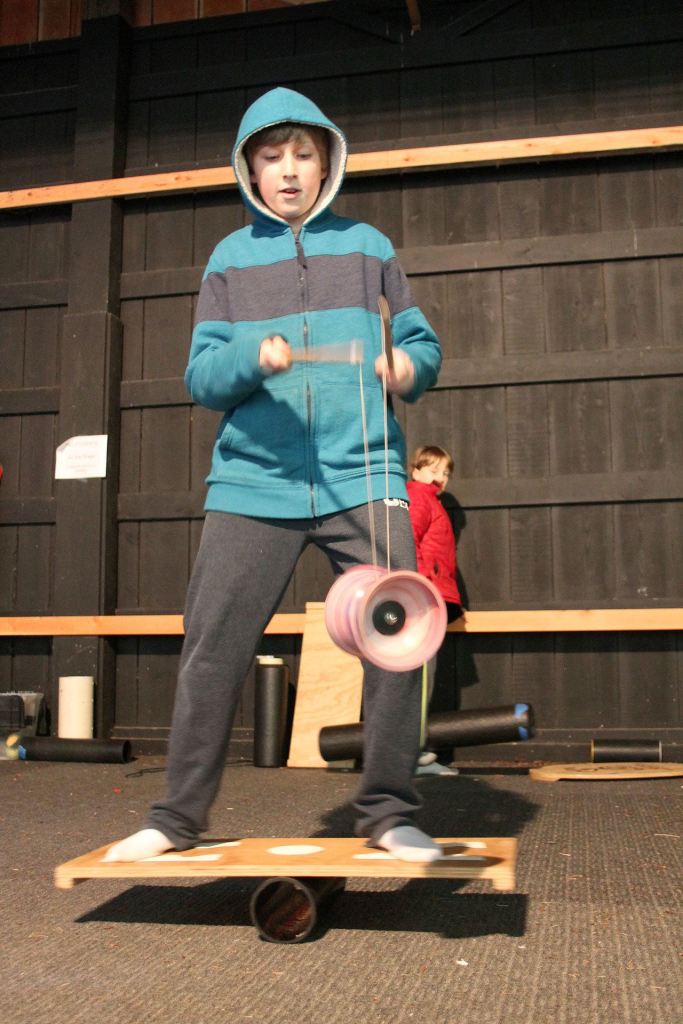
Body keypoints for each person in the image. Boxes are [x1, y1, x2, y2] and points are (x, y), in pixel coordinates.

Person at [105, 87, 443, 865]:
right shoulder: (229, 260)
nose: (287, 171)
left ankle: (390, 811)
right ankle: (175, 818)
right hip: (253, 482)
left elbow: (422, 340)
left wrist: (407, 365)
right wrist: (249, 360)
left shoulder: (368, 247)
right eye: (270, 157)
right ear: (249, 168)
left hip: (363, 472)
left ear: (325, 160)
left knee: (401, 636)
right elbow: (200, 376)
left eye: (301, 155)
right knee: (213, 645)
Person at [407, 445, 463, 777]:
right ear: (415, 470)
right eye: (433, 470)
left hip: (428, 596)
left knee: (423, 676)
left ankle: (415, 753)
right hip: (422, 598)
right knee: (420, 675)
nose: (440, 477)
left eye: (445, 473)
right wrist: (418, 588)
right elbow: (407, 540)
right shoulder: (419, 497)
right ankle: (409, 756)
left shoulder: (431, 501)